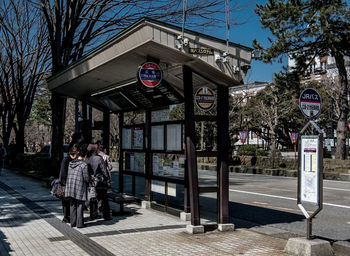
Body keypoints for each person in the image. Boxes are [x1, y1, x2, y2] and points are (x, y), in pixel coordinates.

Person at [65, 143, 90, 228]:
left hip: (70, 187)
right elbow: (86, 178)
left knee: (72, 204)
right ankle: (80, 223)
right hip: (79, 187)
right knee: (80, 205)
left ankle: (73, 222)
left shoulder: (70, 163)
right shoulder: (83, 165)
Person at [87, 144, 111, 221]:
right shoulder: (99, 158)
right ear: (95, 150)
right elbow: (104, 170)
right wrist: (107, 179)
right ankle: (106, 215)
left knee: (93, 198)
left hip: (92, 181)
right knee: (104, 198)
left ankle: (93, 215)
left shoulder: (88, 158)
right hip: (100, 181)